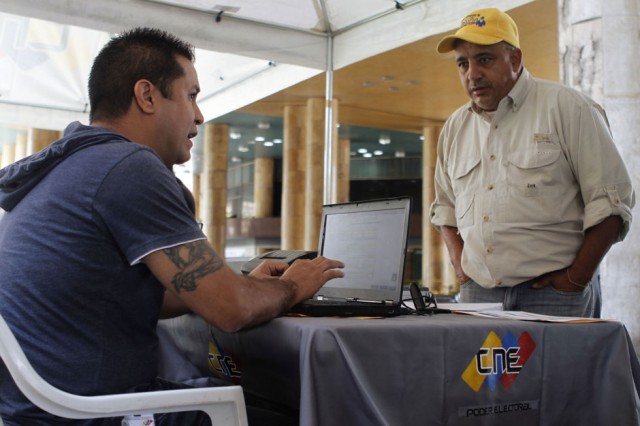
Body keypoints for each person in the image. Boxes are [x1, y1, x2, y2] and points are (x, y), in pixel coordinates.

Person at [0, 27, 344, 425]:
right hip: (97, 414)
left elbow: (138, 297)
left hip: (38, 410)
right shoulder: (129, 168)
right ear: (147, 96)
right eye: (191, 95)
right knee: (311, 416)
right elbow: (231, 311)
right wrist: (292, 285)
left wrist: (244, 280)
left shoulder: (67, 167)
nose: (199, 115)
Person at [429, 8, 634, 318]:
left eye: (484, 59)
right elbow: (444, 209)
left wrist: (576, 278)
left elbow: (611, 204)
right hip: (480, 297)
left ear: (514, 59)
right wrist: (461, 267)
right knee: (485, 371)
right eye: (463, 63)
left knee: (562, 370)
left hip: (556, 295)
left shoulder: (569, 109)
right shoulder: (455, 129)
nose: (472, 74)